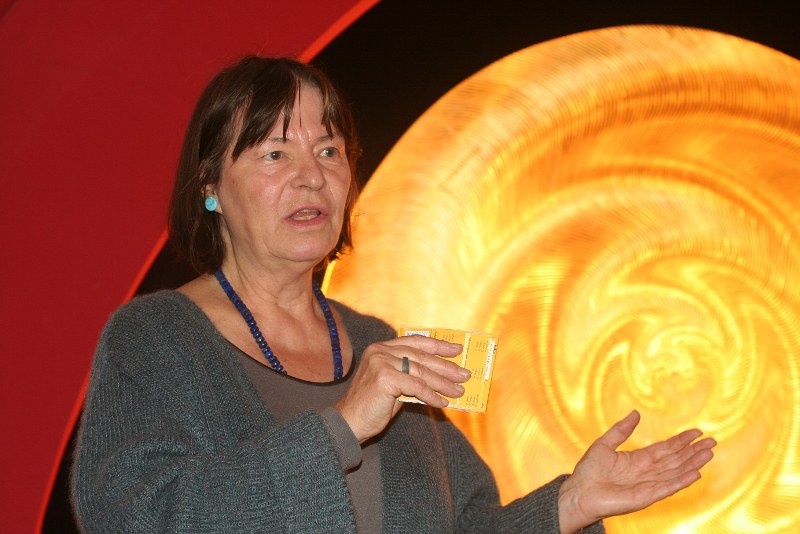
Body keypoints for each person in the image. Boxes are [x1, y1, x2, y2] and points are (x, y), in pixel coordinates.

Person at [71, 55, 716, 533]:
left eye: (329, 151)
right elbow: (133, 518)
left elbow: (465, 526)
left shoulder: (374, 341)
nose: (311, 176)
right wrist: (342, 425)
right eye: (275, 154)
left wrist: (570, 504)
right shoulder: (152, 339)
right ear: (211, 185)